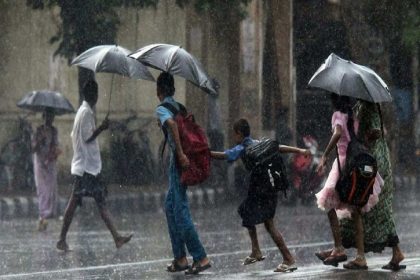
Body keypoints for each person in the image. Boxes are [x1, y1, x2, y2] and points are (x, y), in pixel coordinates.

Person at [210, 118, 310, 273]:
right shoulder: (258, 143)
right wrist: (299, 150)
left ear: (239, 134)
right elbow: (278, 147)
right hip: (269, 187)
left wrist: (206, 153)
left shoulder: (243, 148)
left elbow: (225, 155)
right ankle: (256, 250)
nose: (234, 137)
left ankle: (288, 258)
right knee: (247, 212)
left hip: (260, 189)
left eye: (234, 134)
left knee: (268, 224)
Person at [56, 80, 132, 251]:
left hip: (87, 167)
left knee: (96, 201)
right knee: (78, 201)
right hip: (85, 168)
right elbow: (87, 137)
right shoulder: (86, 113)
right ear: (94, 95)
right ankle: (61, 239)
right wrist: (102, 128)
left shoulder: (83, 112)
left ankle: (116, 237)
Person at [315, 95, 382, 270]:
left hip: (344, 163)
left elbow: (338, 133)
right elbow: (359, 138)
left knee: (329, 204)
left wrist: (325, 154)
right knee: (356, 210)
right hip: (357, 162)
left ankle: (338, 248)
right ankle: (360, 256)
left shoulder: (337, 115)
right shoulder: (353, 117)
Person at [339, 100, 405, 271]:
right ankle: (396, 251)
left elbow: (376, 131)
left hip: (373, 160)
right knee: (380, 209)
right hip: (375, 157)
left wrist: (364, 138)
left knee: (360, 205)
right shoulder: (365, 106)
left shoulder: (368, 107)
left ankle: (359, 256)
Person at [155, 72, 211, 275]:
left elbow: (170, 125)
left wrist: (178, 153)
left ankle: (200, 257)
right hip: (178, 161)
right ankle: (180, 258)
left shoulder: (162, 108)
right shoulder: (179, 107)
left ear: (158, 91)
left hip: (179, 162)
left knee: (180, 211)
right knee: (170, 207)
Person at [32, 108, 61, 231]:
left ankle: (49, 213)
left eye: (52, 117)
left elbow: (55, 145)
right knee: (42, 189)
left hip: (50, 162)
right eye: (48, 117)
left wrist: (52, 154)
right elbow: (33, 148)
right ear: (44, 117)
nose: (50, 119)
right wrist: (40, 140)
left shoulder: (54, 131)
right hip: (39, 162)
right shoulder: (38, 131)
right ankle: (42, 215)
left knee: (50, 189)